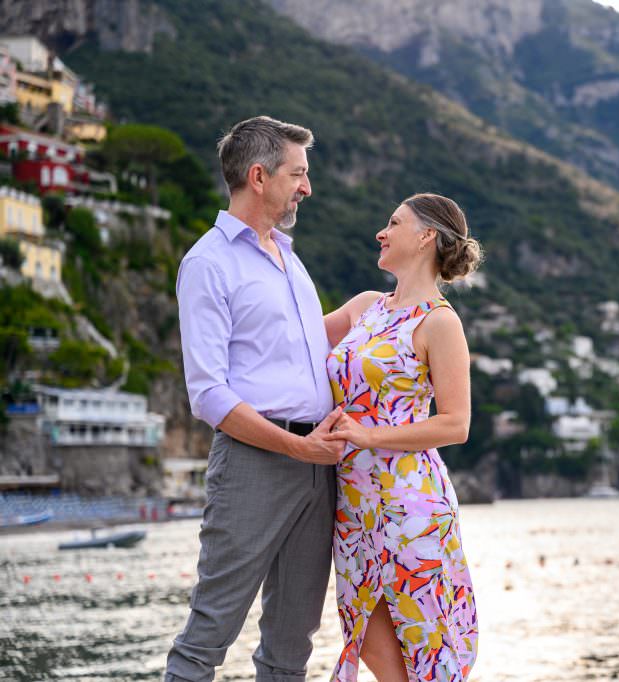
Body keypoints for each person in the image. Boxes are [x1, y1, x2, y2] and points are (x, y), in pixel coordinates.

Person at [166, 115, 347, 682]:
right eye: (298, 174)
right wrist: (297, 449)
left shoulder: (289, 258)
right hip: (254, 464)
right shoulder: (208, 263)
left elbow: (298, 349)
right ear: (259, 176)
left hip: (319, 465)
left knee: (292, 646)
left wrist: (366, 310)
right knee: (208, 635)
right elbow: (208, 394)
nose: (307, 187)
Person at [322, 193, 482, 681]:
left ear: (426, 236)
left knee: (426, 644)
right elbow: (291, 344)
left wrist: (370, 436)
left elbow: (455, 424)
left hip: (410, 502)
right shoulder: (365, 307)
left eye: (393, 223)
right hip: (353, 503)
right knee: (365, 635)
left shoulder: (440, 321)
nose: (381, 232)